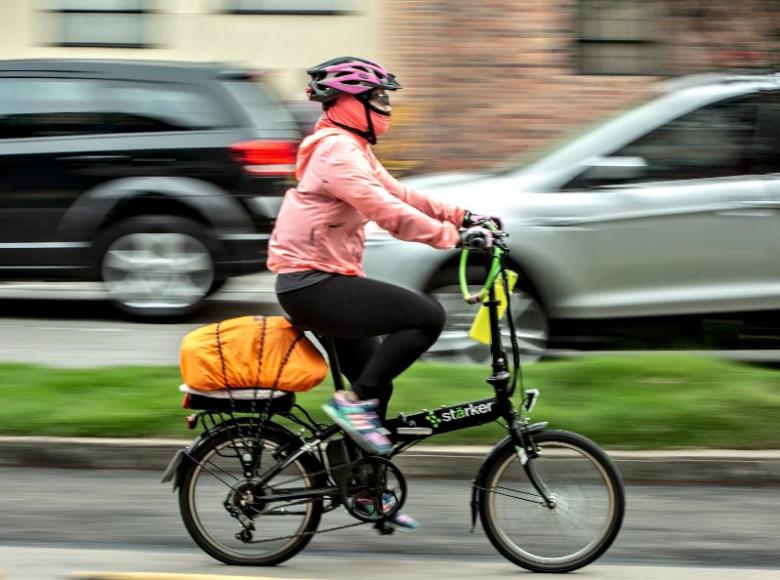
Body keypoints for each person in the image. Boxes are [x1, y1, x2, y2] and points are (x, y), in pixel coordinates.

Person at [267, 56, 494, 531]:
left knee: (375, 381)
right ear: (349, 103)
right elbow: (383, 209)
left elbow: (402, 195)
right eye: (378, 99)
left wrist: (464, 217)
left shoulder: (349, 148)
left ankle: (362, 489)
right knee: (425, 317)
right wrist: (451, 239)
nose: (386, 108)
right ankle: (354, 413)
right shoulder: (335, 153)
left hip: (326, 280)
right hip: (313, 284)